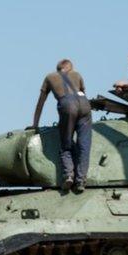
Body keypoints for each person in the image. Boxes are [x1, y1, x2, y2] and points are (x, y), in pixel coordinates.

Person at [32, 59, 92, 193]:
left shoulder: (49, 77)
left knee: (66, 143)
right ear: (70, 68)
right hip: (85, 105)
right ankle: (81, 180)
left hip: (67, 105)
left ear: (58, 68)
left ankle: (68, 175)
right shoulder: (77, 75)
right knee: (84, 144)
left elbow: (40, 103)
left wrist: (35, 124)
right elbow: (83, 93)